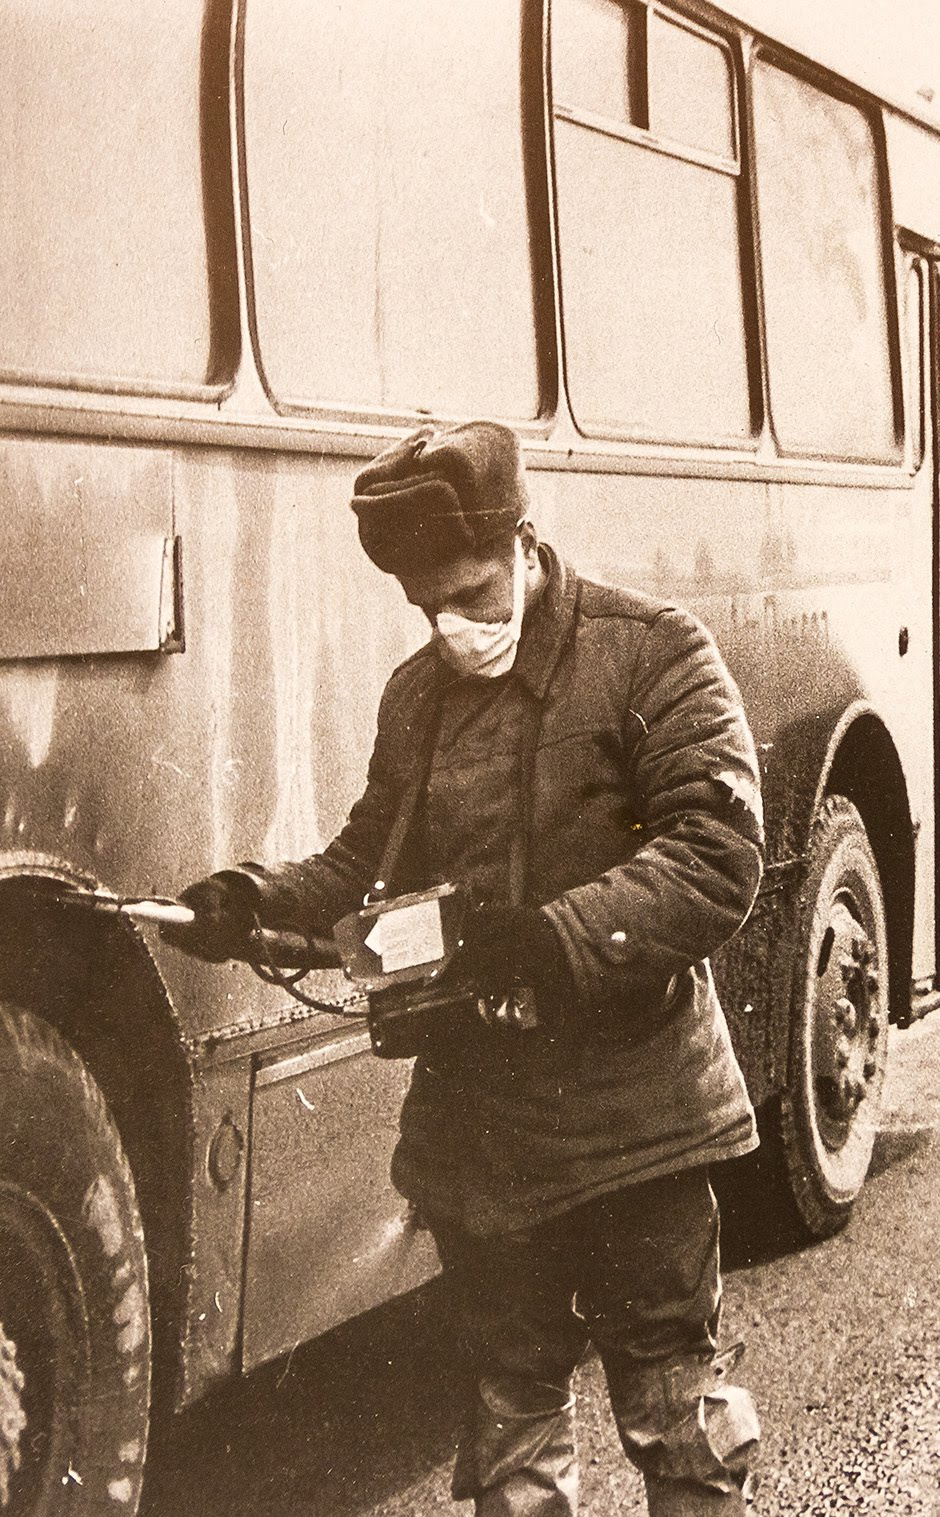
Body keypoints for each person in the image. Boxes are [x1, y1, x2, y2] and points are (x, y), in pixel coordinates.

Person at [163, 421, 765, 1515]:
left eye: (474, 592)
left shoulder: (650, 650)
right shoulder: (417, 697)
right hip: (485, 1133)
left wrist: (555, 936)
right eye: (425, 603)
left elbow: (718, 852)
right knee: (512, 1426)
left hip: (637, 1116)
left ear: (526, 540)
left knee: (679, 1418)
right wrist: (253, 904)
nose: (455, 625)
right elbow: (366, 865)